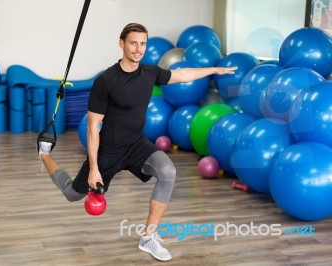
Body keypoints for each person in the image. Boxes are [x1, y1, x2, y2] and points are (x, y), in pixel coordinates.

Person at [38, 23, 236, 261]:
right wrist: (94, 169)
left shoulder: (150, 73)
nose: (138, 48)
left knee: (168, 171)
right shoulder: (106, 80)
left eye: (143, 43)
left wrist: (213, 69)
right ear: (121, 43)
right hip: (107, 151)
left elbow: (182, 75)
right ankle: (45, 156)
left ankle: (148, 237)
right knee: (72, 194)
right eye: (133, 42)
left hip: (136, 144)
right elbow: (92, 128)